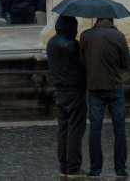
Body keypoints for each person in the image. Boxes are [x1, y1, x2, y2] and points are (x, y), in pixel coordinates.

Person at [80, 17, 130, 179]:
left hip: (95, 87)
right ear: (111, 19)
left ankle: (95, 169)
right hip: (115, 87)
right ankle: (120, 169)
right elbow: (126, 63)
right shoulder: (119, 36)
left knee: (95, 129)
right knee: (119, 129)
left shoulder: (86, 35)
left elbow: (83, 61)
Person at [47, 15, 88, 178]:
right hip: (75, 91)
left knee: (62, 128)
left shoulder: (51, 43)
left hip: (59, 91)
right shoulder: (73, 45)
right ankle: (73, 167)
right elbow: (82, 66)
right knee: (75, 129)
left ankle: (63, 165)